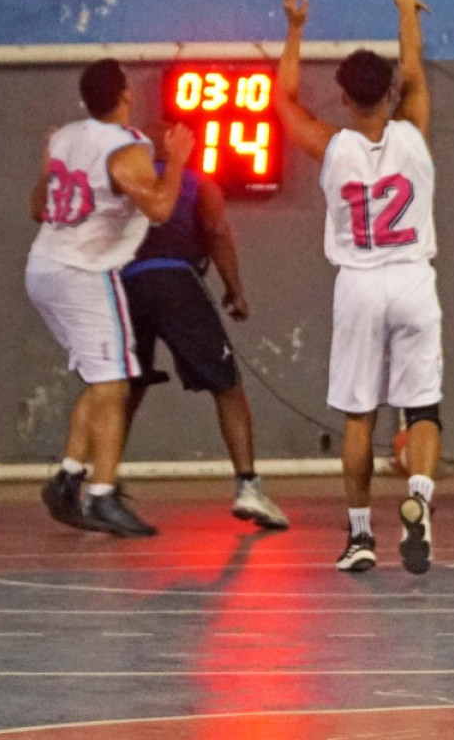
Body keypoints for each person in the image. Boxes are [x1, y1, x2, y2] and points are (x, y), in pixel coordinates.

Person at [275, 0, 442, 575]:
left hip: (359, 285)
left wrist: (295, 28)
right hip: (413, 281)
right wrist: (404, 12)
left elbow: (284, 102)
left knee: (359, 418)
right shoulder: (412, 130)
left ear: (343, 98)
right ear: (392, 92)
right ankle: (418, 499)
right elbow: (415, 70)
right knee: (422, 411)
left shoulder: (332, 145)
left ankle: (361, 535)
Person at [29, 59, 192, 539]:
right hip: (84, 272)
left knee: (102, 381)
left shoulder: (64, 139)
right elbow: (160, 208)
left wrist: (46, 165)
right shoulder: (127, 148)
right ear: (125, 94)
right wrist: (178, 158)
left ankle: (68, 477)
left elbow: (37, 207)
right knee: (116, 383)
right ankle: (101, 496)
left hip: (43, 267)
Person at [117, 132, 289, 530]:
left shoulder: (125, 181)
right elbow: (216, 232)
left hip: (124, 286)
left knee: (125, 388)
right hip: (174, 282)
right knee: (227, 387)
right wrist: (235, 290)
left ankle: (100, 484)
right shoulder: (197, 183)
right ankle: (249, 486)